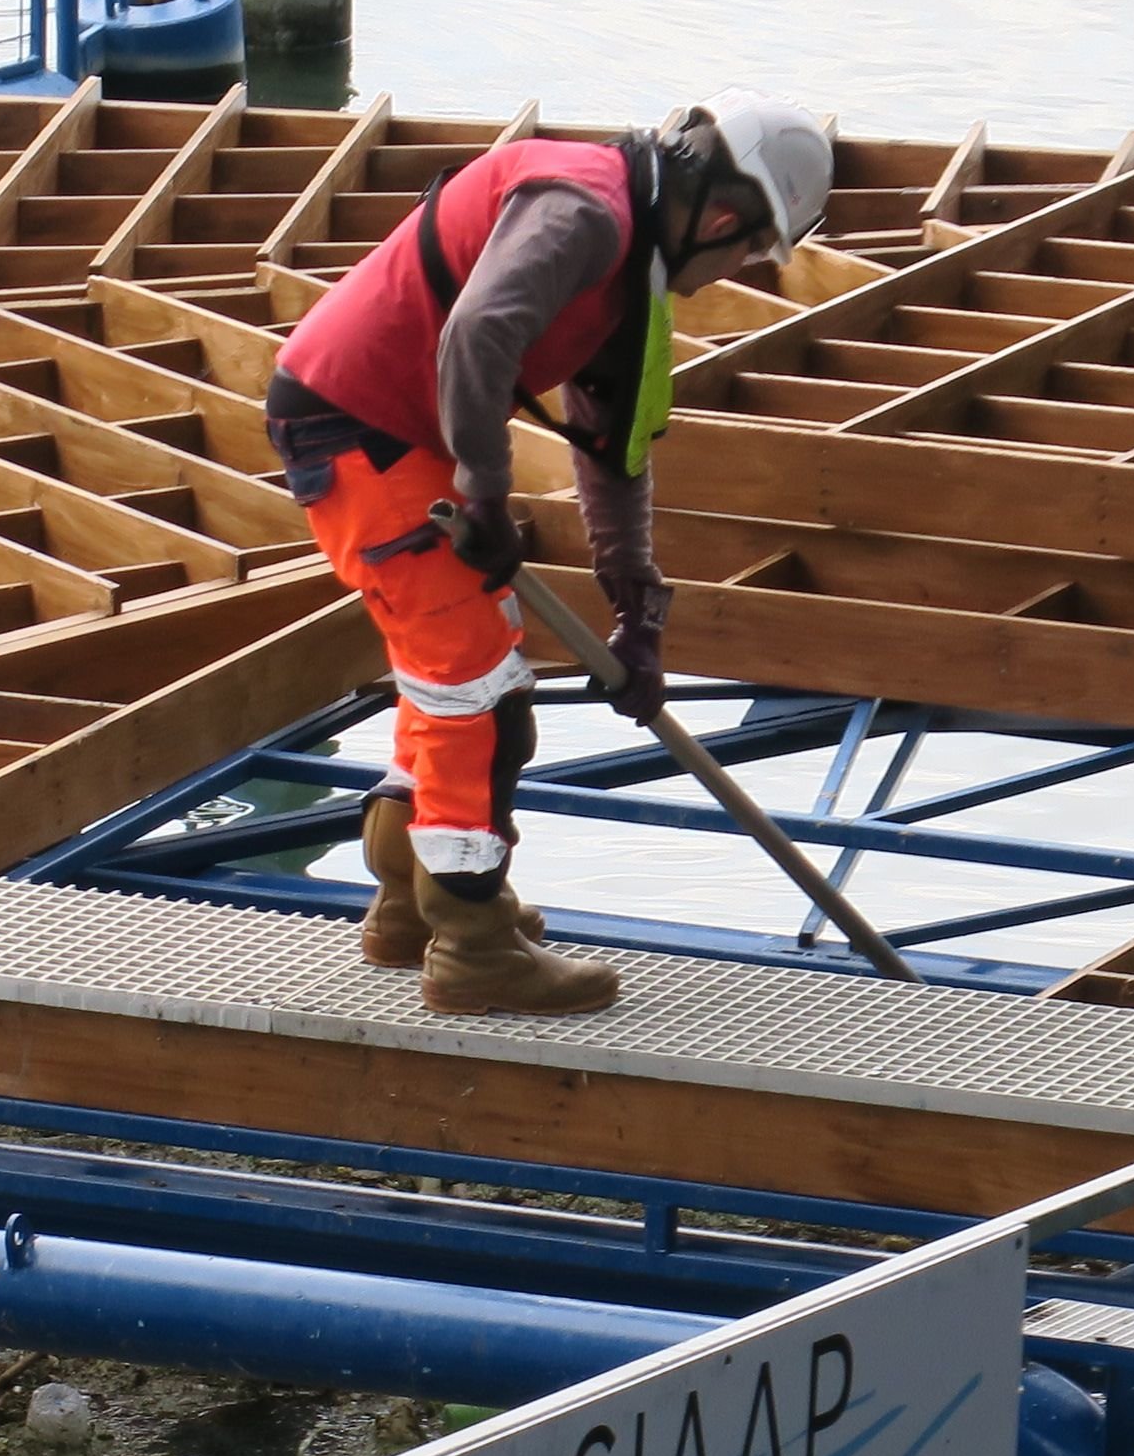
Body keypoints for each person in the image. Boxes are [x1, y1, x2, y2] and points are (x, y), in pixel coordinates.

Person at [268, 93, 838, 1019]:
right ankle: (473, 947)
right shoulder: (586, 213)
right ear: (725, 218)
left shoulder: (634, 281)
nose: (734, 274)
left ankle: (414, 910)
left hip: (398, 435)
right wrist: (488, 491)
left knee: (459, 668)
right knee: (480, 693)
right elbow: (479, 334)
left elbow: (613, 454)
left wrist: (637, 609)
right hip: (357, 430)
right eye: (749, 254)